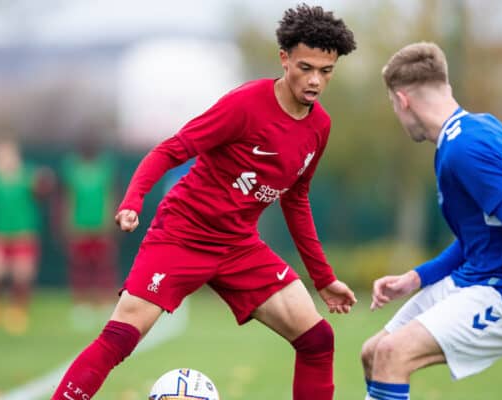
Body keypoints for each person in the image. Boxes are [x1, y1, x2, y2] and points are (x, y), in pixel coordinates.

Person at [51, 4, 357, 400]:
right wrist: (133, 199)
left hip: (238, 245)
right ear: (284, 58)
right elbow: (171, 150)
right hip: (181, 234)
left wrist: (323, 278)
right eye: (305, 67)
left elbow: (296, 200)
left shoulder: (319, 127)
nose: (315, 80)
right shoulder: (245, 105)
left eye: (326, 71)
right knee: (121, 336)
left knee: (317, 339)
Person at [360, 42, 502, 400]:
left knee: (393, 354)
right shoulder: (472, 131)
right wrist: (416, 278)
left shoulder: (465, 150)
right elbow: (481, 237)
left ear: (402, 100)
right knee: (374, 353)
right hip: (477, 276)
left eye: (393, 105)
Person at [0, 137, 53, 335]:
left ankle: (18, 311)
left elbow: (42, 190)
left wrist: (45, 181)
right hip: (0, 233)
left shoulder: (27, 175)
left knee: (22, 274)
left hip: (23, 233)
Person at [58, 137, 119, 322]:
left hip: (100, 225)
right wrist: (67, 222)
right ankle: (81, 303)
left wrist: (111, 220)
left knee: (103, 265)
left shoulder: (105, 168)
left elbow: (110, 195)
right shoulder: (72, 169)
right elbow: (68, 197)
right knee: (80, 266)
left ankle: (104, 301)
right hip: (80, 225)